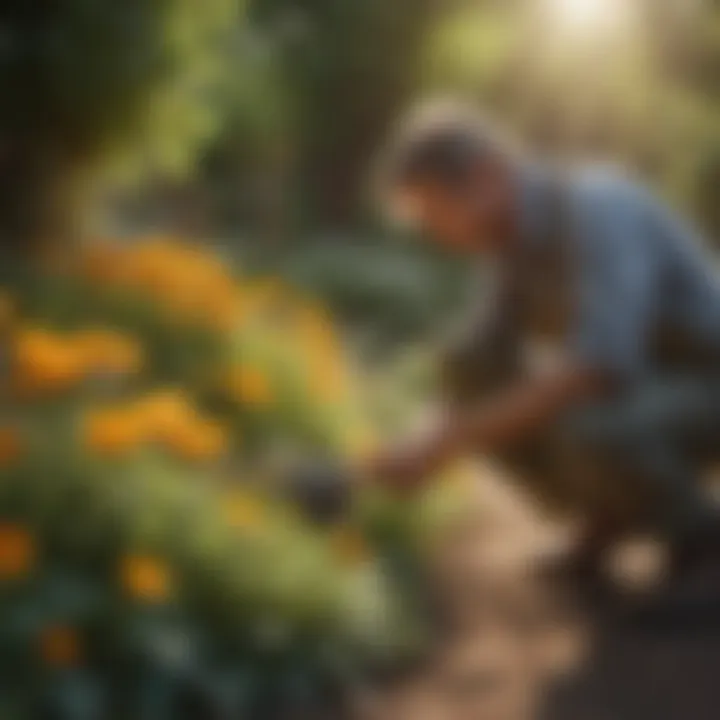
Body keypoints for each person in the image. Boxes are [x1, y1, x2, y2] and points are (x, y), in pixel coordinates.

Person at [365, 101, 720, 584]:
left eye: (432, 213)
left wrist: (451, 439)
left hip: (705, 374)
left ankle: (701, 546)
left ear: (485, 175)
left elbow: (597, 368)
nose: (432, 234)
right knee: (471, 376)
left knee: (588, 421)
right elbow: (474, 365)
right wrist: (418, 441)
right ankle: (608, 517)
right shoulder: (510, 244)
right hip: (660, 384)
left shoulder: (601, 207)